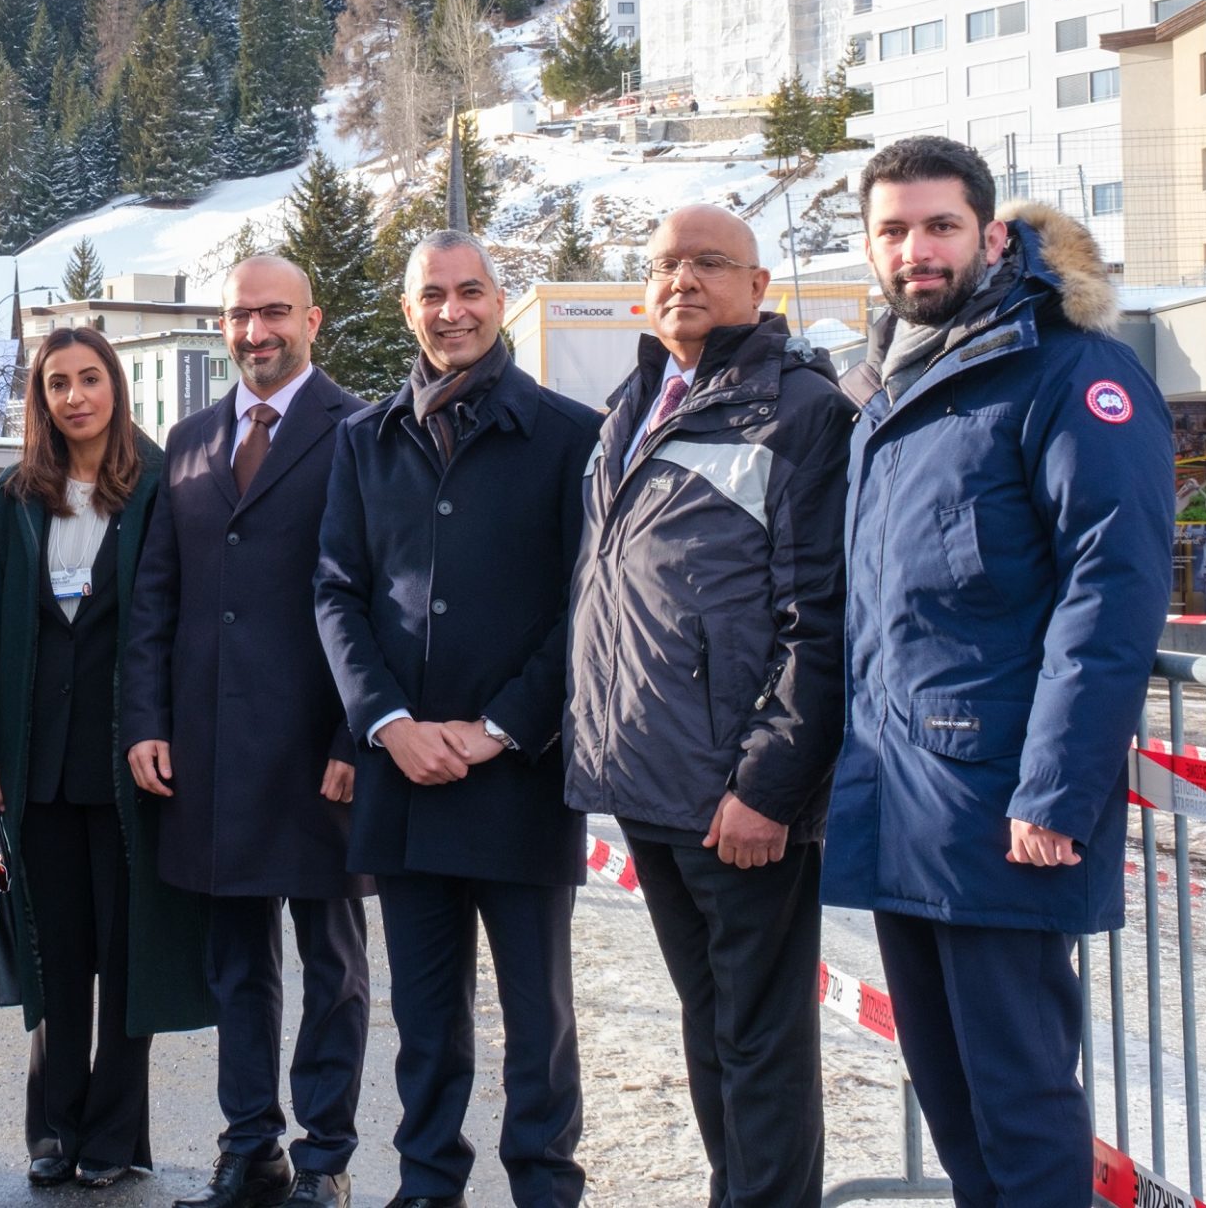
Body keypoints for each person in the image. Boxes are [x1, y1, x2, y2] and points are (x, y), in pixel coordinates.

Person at [826, 137, 1171, 1205]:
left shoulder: (1071, 370)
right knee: (953, 1100)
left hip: (1006, 809)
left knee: (1020, 1108)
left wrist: (1056, 791)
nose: (915, 251)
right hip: (905, 802)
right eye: (893, 230)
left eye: (938, 226)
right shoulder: (895, 383)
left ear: (991, 233)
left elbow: (1110, 590)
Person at [563, 206, 852, 1208]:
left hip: (738, 794)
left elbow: (817, 616)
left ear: (758, 285)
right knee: (711, 1024)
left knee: (761, 1040)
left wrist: (769, 784)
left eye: (708, 263)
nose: (681, 278)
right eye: (664, 263)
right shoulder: (633, 403)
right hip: (653, 783)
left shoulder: (798, 410)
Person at [314, 231, 598, 1208]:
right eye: (430, 295)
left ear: (499, 300)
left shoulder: (569, 435)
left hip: (517, 777)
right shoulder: (364, 439)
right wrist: (386, 721)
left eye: (470, 291)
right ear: (407, 310)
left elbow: (583, 605)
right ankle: (427, 1184)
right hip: (403, 778)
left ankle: (545, 1187)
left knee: (538, 1015)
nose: (451, 310)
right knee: (426, 1018)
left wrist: (501, 725)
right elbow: (337, 590)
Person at [122, 254, 370, 1208]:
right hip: (211, 750)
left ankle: (325, 1157)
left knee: (333, 963)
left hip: (318, 750)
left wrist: (359, 738)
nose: (257, 331)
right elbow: (156, 595)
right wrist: (147, 718)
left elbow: (381, 599)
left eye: (274, 313)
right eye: (240, 315)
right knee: (236, 964)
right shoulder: (186, 440)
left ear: (313, 317)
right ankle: (248, 1147)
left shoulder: (358, 430)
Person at [0, 328, 215, 1189]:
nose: (74, 396)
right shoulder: (17, 494)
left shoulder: (160, 485)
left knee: (127, 952)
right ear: (38, 396)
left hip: (126, 766)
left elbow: (175, 618)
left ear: (115, 384)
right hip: (38, 763)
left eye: (89, 378)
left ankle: (114, 1133)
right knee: (56, 954)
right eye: (57, 383)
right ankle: (52, 1127)